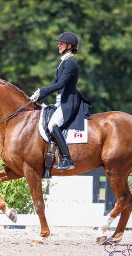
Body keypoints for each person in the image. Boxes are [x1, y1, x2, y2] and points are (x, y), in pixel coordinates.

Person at [29, 31, 91, 170]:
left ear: (69, 45)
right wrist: (39, 95)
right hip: (61, 101)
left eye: (61, 43)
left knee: (52, 125)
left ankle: (67, 159)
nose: (59, 45)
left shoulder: (71, 63)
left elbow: (60, 85)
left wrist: (41, 92)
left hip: (69, 102)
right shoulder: (64, 62)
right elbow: (53, 84)